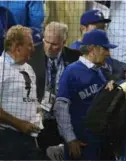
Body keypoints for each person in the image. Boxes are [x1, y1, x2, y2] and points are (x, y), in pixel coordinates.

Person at [54, 29, 117, 160]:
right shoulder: (71, 72)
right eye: (105, 49)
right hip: (81, 145)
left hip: (99, 144)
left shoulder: (100, 71)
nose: (108, 53)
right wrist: (70, 139)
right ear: (92, 49)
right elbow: (61, 107)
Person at [27, 21, 81, 155]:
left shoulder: (76, 58)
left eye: (55, 44)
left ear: (64, 41)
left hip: (65, 120)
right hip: (39, 119)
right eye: (46, 41)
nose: (49, 47)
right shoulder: (30, 55)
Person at [0, 25, 44, 160]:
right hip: (6, 138)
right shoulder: (1, 67)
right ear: (17, 47)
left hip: (29, 138)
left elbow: (31, 98)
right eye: (29, 45)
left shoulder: (29, 68)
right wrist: (19, 124)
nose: (34, 49)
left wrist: (38, 112)